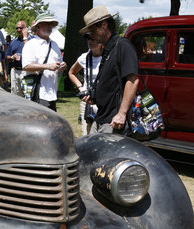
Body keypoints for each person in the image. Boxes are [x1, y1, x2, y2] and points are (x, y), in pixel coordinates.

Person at [80, 6, 138, 134]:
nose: (91, 35)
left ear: (104, 25)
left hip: (113, 122)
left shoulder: (123, 45)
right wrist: (94, 96)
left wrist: (122, 113)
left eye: (92, 30)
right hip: (100, 118)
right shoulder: (107, 50)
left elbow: (133, 80)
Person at [22, 14, 67, 111]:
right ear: (38, 27)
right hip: (38, 92)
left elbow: (59, 65)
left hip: (52, 92)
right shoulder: (31, 45)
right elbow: (26, 66)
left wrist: (62, 66)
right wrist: (48, 66)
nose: (49, 26)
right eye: (46, 24)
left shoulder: (54, 45)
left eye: (51, 24)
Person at [68, 34, 103, 135]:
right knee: (87, 136)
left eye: (93, 38)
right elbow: (71, 72)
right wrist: (81, 88)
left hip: (104, 103)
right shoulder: (85, 57)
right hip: (88, 102)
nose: (90, 41)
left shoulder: (108, 56)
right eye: (88, 39)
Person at [5, 20, 29, 96]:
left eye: (21, 28)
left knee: (27, 94)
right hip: (15, 71)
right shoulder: (13, 42)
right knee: (15, 94)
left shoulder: (31, 41)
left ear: (26, 28)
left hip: (26, 71)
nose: (18, 30)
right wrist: (12, 57)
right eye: (17, 28)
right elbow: (7, 56)